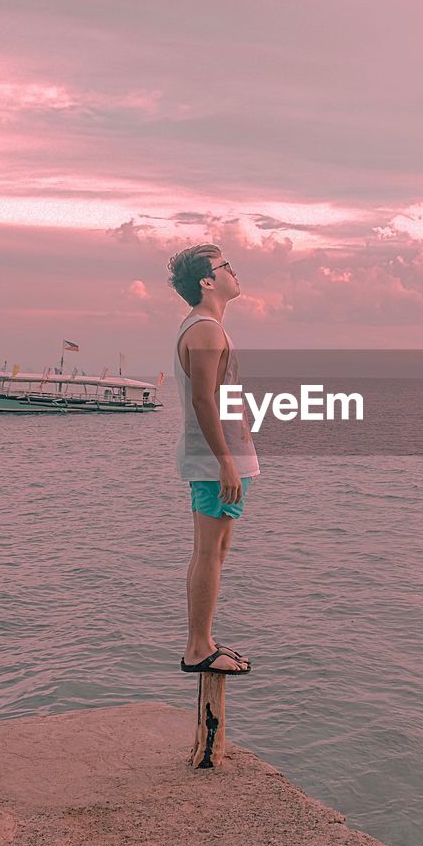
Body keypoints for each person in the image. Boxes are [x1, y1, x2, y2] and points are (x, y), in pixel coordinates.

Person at [168, 243, 259, 675]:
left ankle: (202, 641)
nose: (234, 272)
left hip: (218, 458)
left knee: (213, 551)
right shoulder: (205, 329)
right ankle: (198, 647)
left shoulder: (206, 327)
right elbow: (204, 400)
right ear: (208, 281)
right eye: (226, 267)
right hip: (214, 461)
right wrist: (225, 461)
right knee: (209, 553)